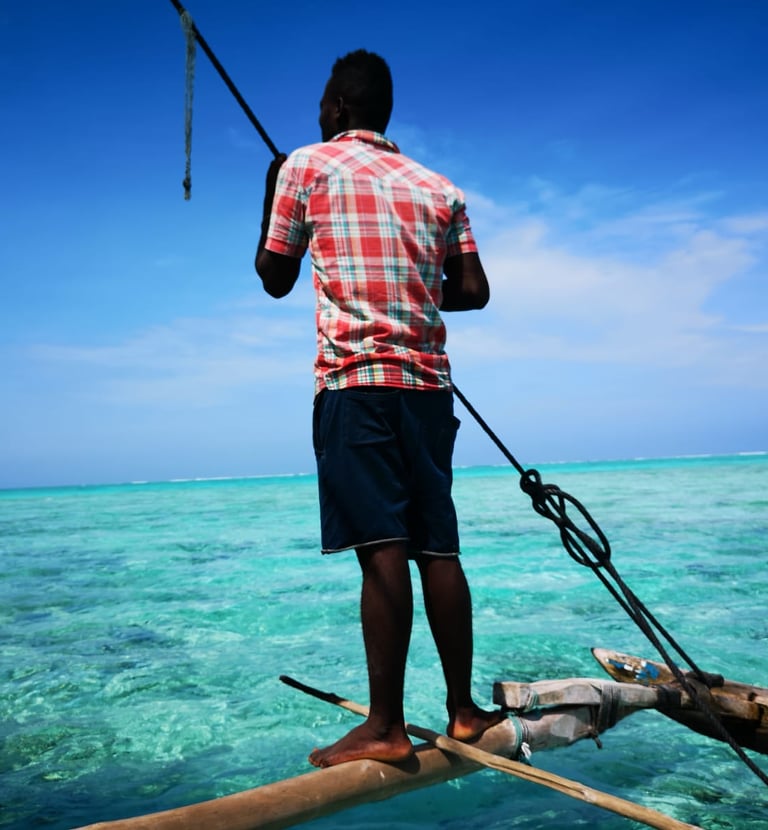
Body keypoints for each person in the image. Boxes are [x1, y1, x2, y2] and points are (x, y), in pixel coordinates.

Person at [255, 49, 500, 769]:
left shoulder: (305, 166)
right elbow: (474, 290)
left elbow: (274, 276)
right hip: (428, 391)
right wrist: (412, 291)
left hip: (357, 386)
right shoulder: (439, 186)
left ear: (337, 107)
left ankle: (386, 726)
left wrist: (270, 189)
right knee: (438, 549)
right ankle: (463, 711)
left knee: (383, 550)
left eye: (322, 105)